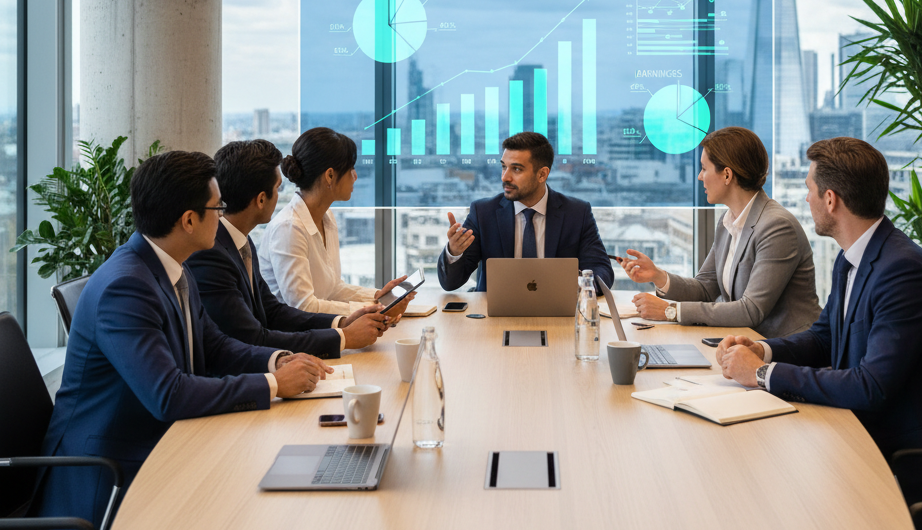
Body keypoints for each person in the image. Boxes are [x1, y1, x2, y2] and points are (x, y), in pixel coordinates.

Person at [35, 150, 330, 530]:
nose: (222, 214)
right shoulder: (125, 287)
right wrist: (273, 384)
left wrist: (278, 362)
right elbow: (168, 395)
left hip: (164, 442)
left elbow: (216, 346)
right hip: (109, 473)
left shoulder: (171, 266)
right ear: (189, 220)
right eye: (216, 206)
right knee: (257, 504)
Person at [717, 136, 922, 530]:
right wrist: (764, 349)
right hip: (863, 434)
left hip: (910, 460)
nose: (804, 199)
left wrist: (761, 375)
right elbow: (825, 336)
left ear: (830, 199)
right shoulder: (852, 256)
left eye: (808, 189)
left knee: (776, 504)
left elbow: (871, 386)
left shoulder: (901, 271)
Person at [187, 140, 399, 356]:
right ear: (261, 199)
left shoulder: (241, 241)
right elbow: (252, 337)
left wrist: (343, 322)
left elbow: (273, 311)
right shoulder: (212, 254)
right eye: (277, 188)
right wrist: (344, 337)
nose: (280, 196)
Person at [623, 126, 821, 336]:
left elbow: (751, 310)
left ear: (727, 174)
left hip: (790, 353)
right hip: (747, 344)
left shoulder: (777, 227)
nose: (700, 177)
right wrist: (658, 275)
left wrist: (671, 311)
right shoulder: (728, 221)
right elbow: (706, 289)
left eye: (704, 169)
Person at [438, 131, 614, 292]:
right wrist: (454, 251)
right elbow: (450, 283)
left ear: (542, 174)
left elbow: (602, 270)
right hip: (494, 316)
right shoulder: (483, 212)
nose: (505, 177)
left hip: (557, 313)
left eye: (516, 169)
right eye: (503, 167)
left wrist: (575, 284)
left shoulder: (577, 213)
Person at [260, 127, 404, 315]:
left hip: (320, 331)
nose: (355, 176)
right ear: (329, 175)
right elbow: (303, 306)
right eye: (350, 169)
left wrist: (377, 296)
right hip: (294, 337)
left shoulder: (327, 217)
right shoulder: (289, 228)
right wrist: (372, 309)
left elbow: (333, 289)